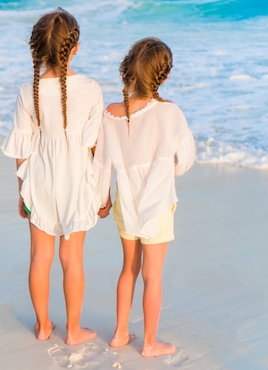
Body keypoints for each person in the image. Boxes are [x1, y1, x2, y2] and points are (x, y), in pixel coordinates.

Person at [1, 8, 104, 345]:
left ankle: (44, 325)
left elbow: (22, 146)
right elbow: (93, 148)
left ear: (36, 50)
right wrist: (102, 192)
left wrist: (22, 191)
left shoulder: (27, 91)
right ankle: (73, 331)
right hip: (77, 180)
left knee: (39, 258)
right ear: (75, 48)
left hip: (40, 179)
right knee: (72, 259)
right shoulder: (90, 88)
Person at [94, 37, 195, 357]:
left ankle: (120, 333)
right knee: (153, 275)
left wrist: (102, 199)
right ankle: (149, 343)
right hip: (158, 205)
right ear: (163, 76)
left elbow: (101, 164)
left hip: (126, 202)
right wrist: (168, 168)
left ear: (128, 71)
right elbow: (186, 159)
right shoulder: (170, 113)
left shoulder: (111, 113)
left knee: (129, 269)